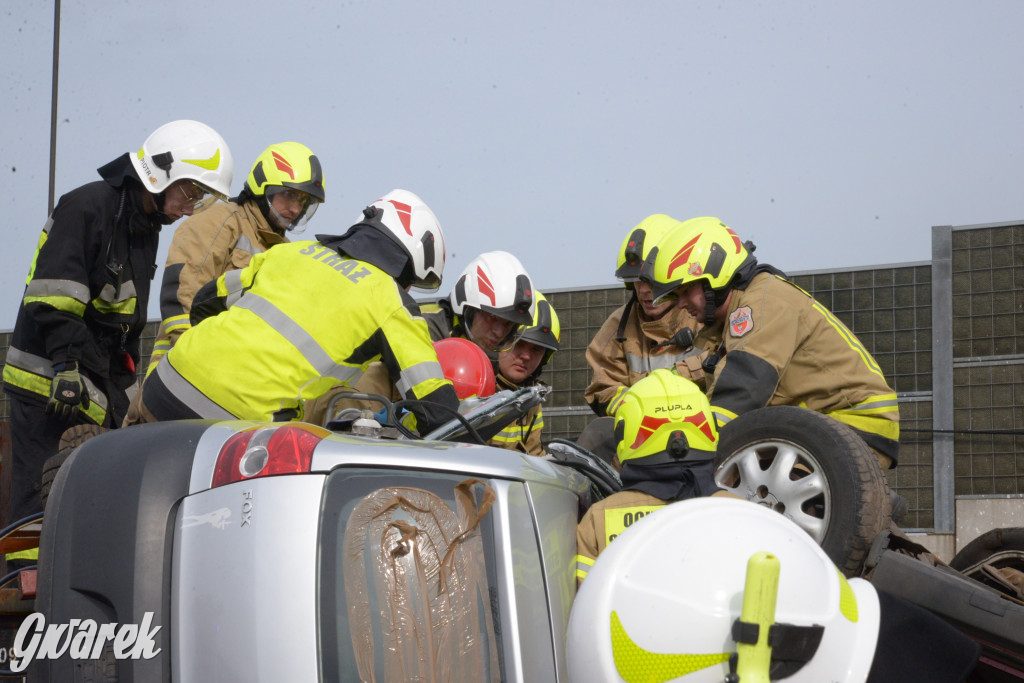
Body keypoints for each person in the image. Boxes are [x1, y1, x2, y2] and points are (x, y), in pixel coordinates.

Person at [2, 119, 233, 525]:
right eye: (190, 191)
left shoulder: (143, 229)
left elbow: (123, 326)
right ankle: (26, 587)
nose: (190, 206)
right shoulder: (86, 206)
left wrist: (127, 403)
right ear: (161, 173)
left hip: (84, 388)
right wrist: (66, 366)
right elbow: (54, 296)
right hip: (46, 385)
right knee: (39, 507)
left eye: (200, 197)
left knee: (80, 507)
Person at [135, 189, 460, 436]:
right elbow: (436, 406)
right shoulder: (392, 302)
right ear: (409, 264)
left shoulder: (291, 252)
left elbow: (208, 299)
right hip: (234, 428)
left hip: (165, 384)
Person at [640, 216, 900, 470]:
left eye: (685, 291)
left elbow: (742, 389)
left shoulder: (762, 303)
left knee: (720, 480)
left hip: (853, 425)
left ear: (715, 275)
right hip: (832, 425)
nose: (682, 303)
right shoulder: (744, 307)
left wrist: (689, 452)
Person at [123, 142, 325, 426]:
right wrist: (192, 361)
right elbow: (183, 286)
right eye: (289, 195)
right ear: (262, 186)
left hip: (234, 399)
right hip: (178, 387)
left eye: (303, 202)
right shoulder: (221, 219)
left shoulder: (284, 252)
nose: (294, 208)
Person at [303, 249, 535, 425]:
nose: (498, 331)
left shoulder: (487, 362)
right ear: (467, 308)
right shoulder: (417, 326)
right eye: (491, 318)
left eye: (507, 325)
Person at [575, 369, 733, 586]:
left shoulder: (599, 519)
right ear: (710, 429)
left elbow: (585, 605)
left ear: (624, 436)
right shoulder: (747, 513)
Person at [489, 292, 560, 456]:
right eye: (518, 344)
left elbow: (535, 456)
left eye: (536, 349)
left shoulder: (532, 397)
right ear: (497, 343)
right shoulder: (475, 386)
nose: (526, 356)